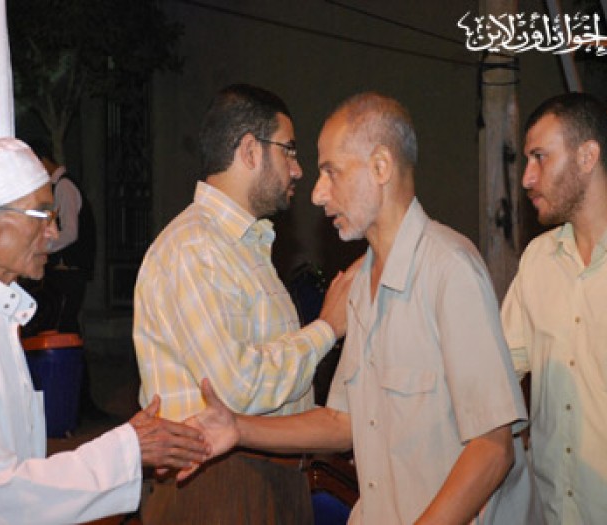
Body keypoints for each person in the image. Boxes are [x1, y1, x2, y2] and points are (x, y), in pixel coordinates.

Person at [187, 92, 541, 524]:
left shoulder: (450, 270)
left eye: (331, 172)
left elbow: (493, 448)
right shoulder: (361, 283)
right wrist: (238, 428)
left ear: (380, 167)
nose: (317, 194)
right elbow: (342, 422)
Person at [0, 138, 210, 523]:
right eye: (41, 215)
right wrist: (126, 451)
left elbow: (21, 465)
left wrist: (126, 446)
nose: (54, 233)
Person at [133, 83, 354, 524]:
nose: (297, 170)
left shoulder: (244, 246)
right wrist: (326, 329)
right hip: (215, 486)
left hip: (265, 477)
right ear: (251, 151)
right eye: (289, 151)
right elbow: (235, 389)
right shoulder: (194, 248)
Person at [501, 92, 607, 523]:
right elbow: (496, 377)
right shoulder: (538, 259)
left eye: (540, 157)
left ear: (587, 156)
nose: (526, 178)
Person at [30, 139, 95, 336]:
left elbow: (70, 232)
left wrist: (45, 248)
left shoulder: (64, 187)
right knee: (61, 328)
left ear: (42, 161)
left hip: (69, 272)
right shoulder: (58, 186)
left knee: (64, 328)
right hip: (65, 272)